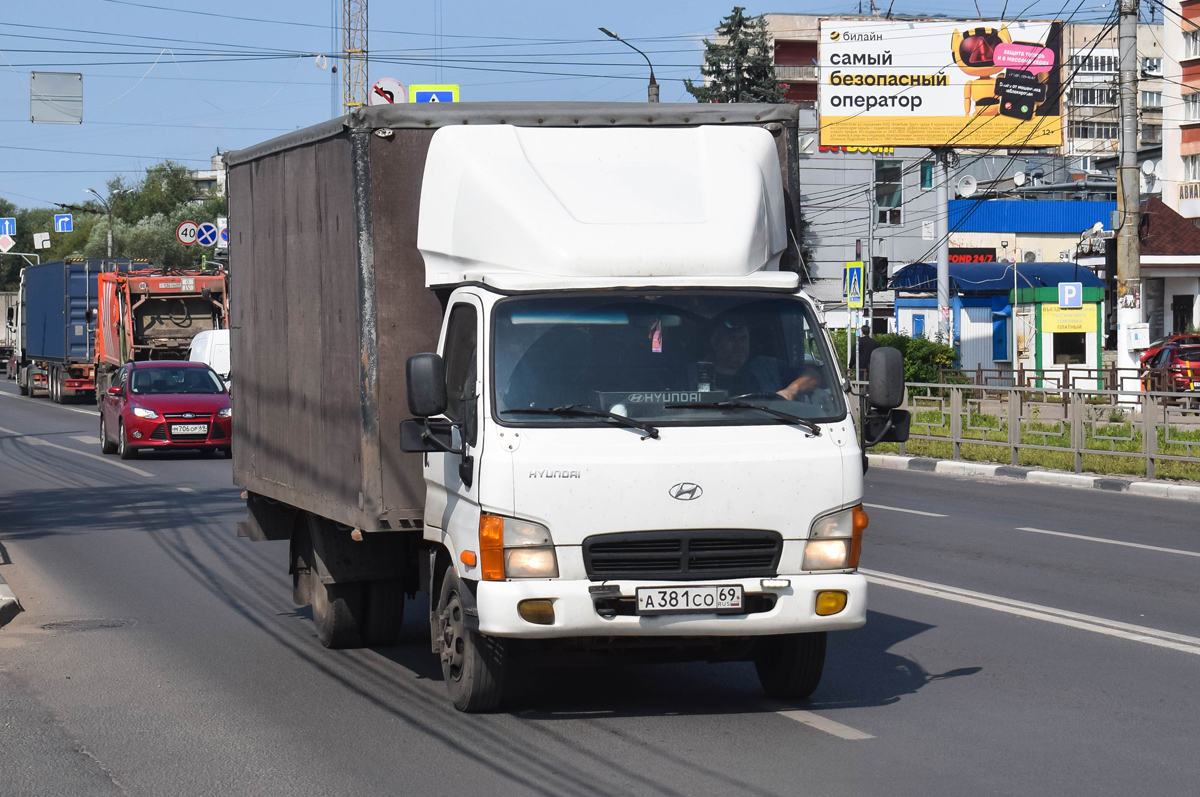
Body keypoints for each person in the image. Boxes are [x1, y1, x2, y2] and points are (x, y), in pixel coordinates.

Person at [707, 319, 821, 401]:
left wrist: (790, 391)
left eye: (743, 338)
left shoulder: (767, 367)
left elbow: (812, 376)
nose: (739, 345)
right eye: (731, 339)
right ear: (715, 342)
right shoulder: (694, 373)